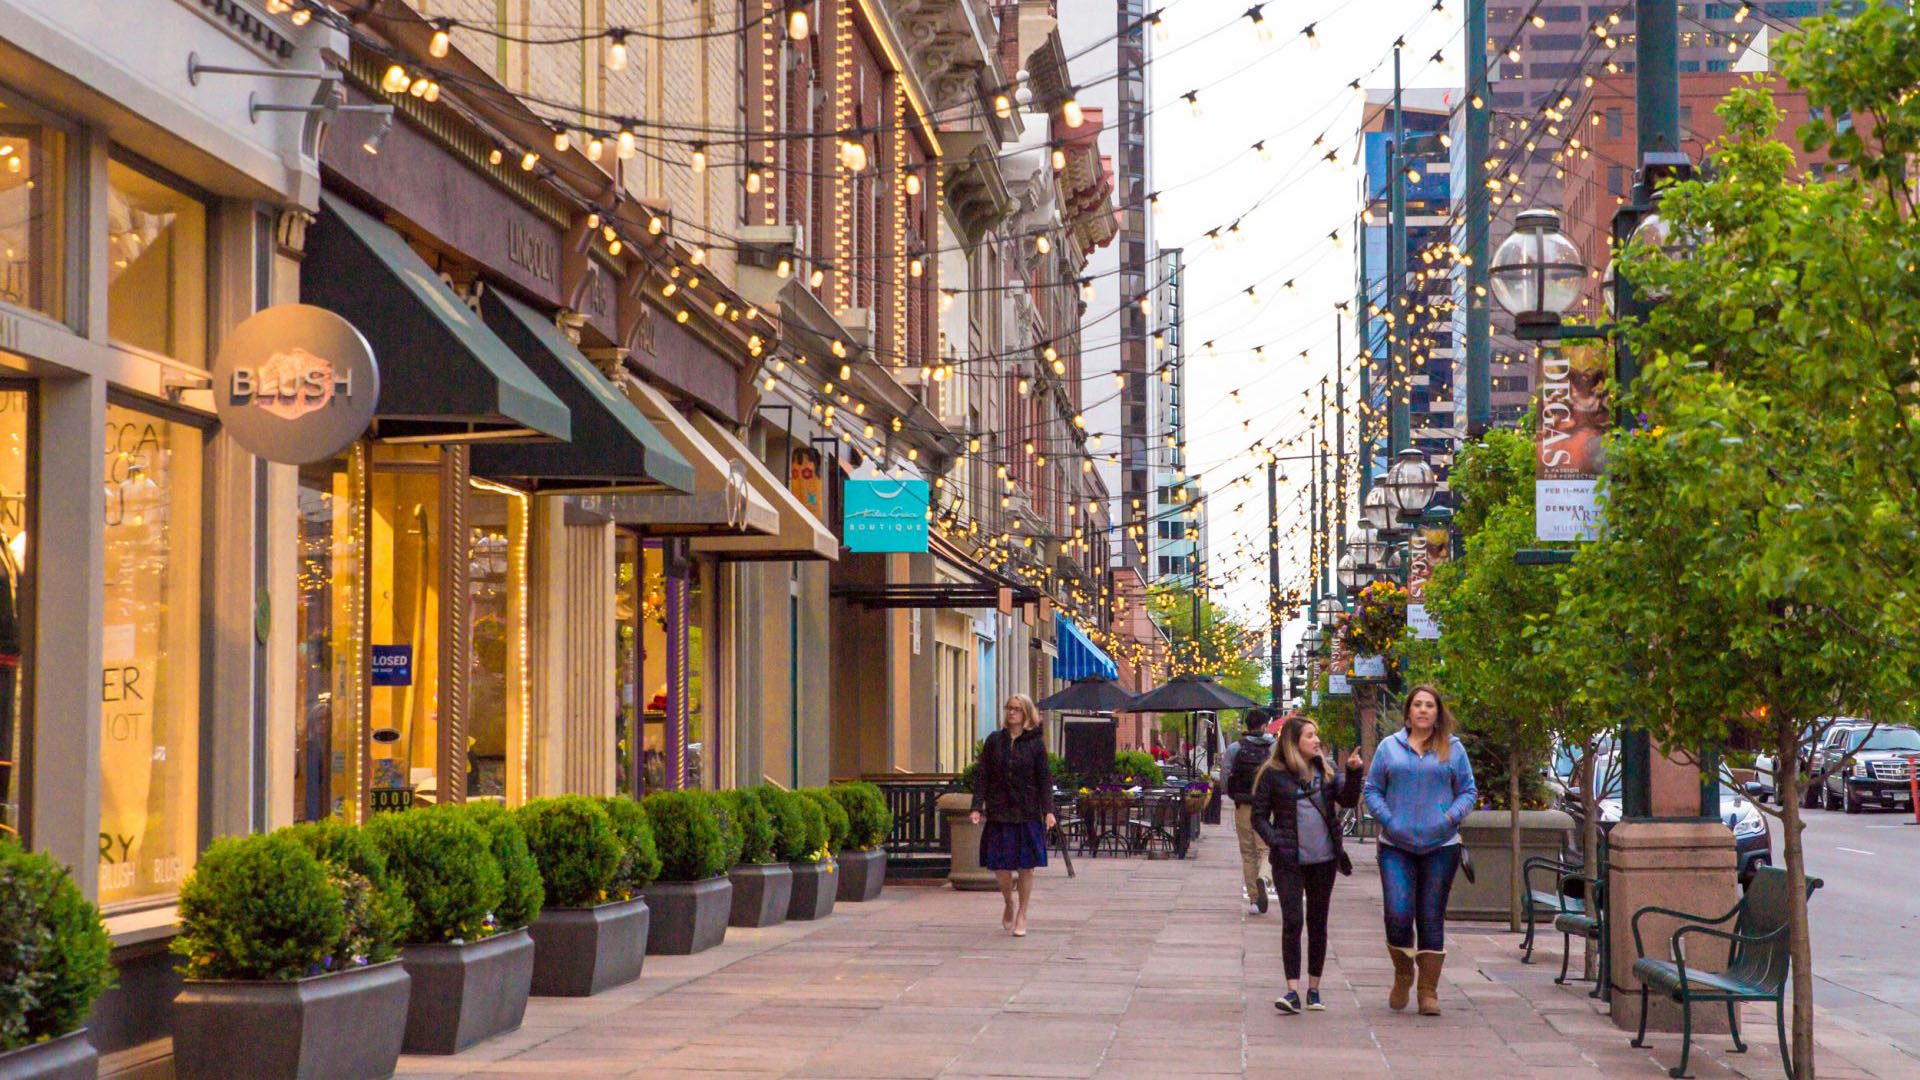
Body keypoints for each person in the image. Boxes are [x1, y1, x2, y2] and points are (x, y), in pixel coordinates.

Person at [1363, 685, 1477, 1016]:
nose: (1424, 710)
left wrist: (1449, 817)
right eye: (1418, 704)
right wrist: (1388, 820)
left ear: (1438, 712)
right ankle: (1403, 972)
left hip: (1441, 844)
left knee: (1430, 916)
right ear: (1408, 712)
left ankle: (1428, 990)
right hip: (1395, 844)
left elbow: (1468, 791)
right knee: (1397, 914)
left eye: (1430, 705)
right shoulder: (1389, 748)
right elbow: (1372, 790)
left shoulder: (1453, 749)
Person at [1251, 713, 1365, 1014]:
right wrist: (1276, 840)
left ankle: (1314, 989)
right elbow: (1258, 816)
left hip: (1324, 860)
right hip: (1289, 860)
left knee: (1318, 922)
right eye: (1310, 736)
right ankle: (1292, 991)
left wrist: (1354, 774)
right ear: (1294, 742)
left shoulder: (1326, 772)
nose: (1316, 740)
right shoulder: (1272, 773)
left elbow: (1349, 800)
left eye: (1317, 735)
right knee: (1293, 921)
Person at [970, 694, 1056, 937]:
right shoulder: (994, 741)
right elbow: (983, 775)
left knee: (1027, 867)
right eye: (1009, 708)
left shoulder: (1035, 744)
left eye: (1017, 709)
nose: (1012, 713)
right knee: (1000, 865)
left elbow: (1044, 779)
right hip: (1000, 810)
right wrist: (977, 806)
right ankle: (1008, 900)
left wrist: (1048, 810)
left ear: (1026, 713)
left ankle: (1023, 913)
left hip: (1027, 810)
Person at [1222, 707, 1278, 914]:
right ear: (1264, 725)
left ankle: (1254, 899)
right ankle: (1264, 877)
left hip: (1243, 804)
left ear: (1247, 725)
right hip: (1267, 805)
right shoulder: (1274, 746)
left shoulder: (1235, 748)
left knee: (1247, 852)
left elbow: (1226, 775)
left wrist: (1233, 794)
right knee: (1266, 848)